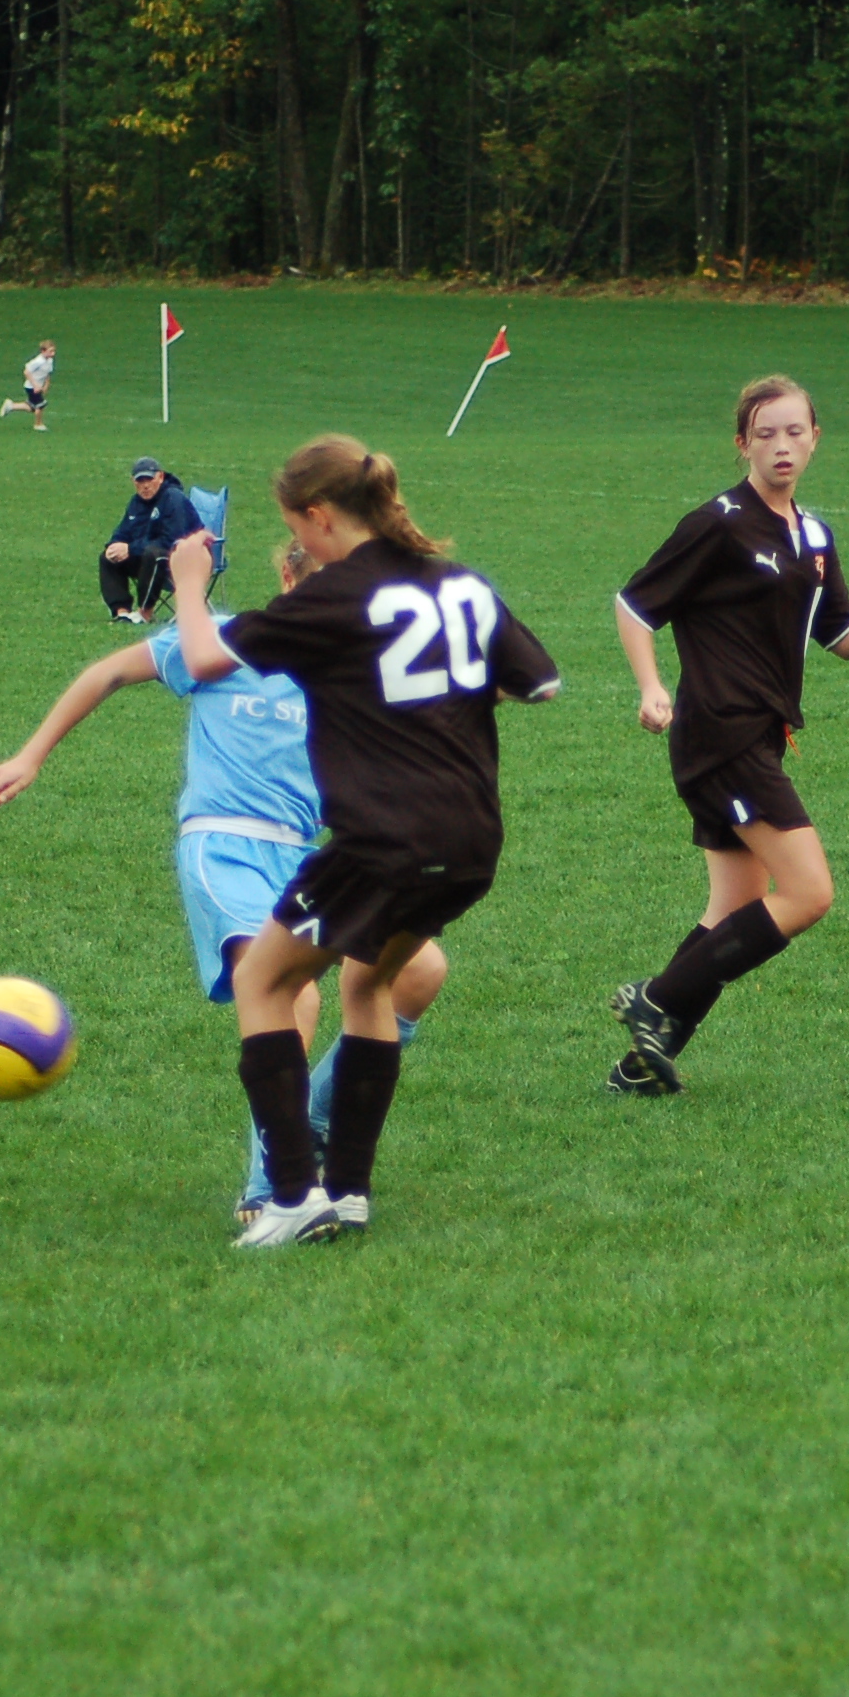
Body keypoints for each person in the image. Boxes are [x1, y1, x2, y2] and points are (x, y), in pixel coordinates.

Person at [0, 537, 450, 1235]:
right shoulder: (223, 640)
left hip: (308, 854)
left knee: (419, 971)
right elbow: (108, 674)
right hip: (224, 844)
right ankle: (272, 1188)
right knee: (290, 994)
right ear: (288, 574)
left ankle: (312, 1116)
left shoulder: (354, 663)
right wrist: (31, 754)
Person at [164, 436, 558, 1249]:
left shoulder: (335, 593)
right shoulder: (461, 583)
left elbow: (202, 656)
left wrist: (191, 585)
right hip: (470, 840)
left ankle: (288, 1194)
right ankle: (347, 1189)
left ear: (318, 516)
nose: (300, 547)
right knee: (367, 984)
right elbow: (538, 684)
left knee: (264, 980)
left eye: (296, 530)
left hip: (384, 838)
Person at [605, 375, 849, 1096]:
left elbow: (840, 636)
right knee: (809, 892)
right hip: (719, 735)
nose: (781, 446)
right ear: (743, 444)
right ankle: (656, 999)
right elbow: (634, 606)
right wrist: (651, 686)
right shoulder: (718, 523)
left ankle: (643, 1065)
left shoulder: (815, 537)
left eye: (794, 432)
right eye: (765, 434)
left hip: (760, 737)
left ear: (816, 439)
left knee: (734, 908)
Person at [101, 456, 203, 623]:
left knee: (153, 554)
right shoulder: (136, 502)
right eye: (140, 481)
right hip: (147, 559)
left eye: (149, 479)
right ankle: (122, 612)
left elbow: (172, 540)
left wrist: (131, 549)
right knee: (107, 557)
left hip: (182, 560)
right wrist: (113, 546)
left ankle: (145, 612)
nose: (145, 486)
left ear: (160, 477)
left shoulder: (173, 499)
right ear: (133, 481)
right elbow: (123, 531)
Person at [1, 340, 58, 431]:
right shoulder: (38, 361)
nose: (53, 353)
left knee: (31, 407)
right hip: (31, 387)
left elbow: (47, 374)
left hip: (38, 387)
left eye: (53, 351)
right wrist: (35, 385)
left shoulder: (49, 361)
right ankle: (38, 424)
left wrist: (46, 385)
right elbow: (27, 372)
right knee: (41, 405)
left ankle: (11, 406)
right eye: (50, 351)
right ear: (43, 351)